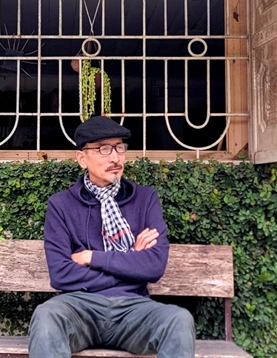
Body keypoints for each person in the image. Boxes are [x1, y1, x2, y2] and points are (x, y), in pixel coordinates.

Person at [28, 116, 196, 358]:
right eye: (103, 149)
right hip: (80, 307)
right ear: (82, 159)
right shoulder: (61, 205)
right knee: (46, 316)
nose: (115, 157)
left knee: (179, 320)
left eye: (119, 147)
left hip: (134, 310)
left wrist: (92, 257)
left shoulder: (145, 199)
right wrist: (131, 261)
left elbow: (154, 266)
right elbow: (61, 273)